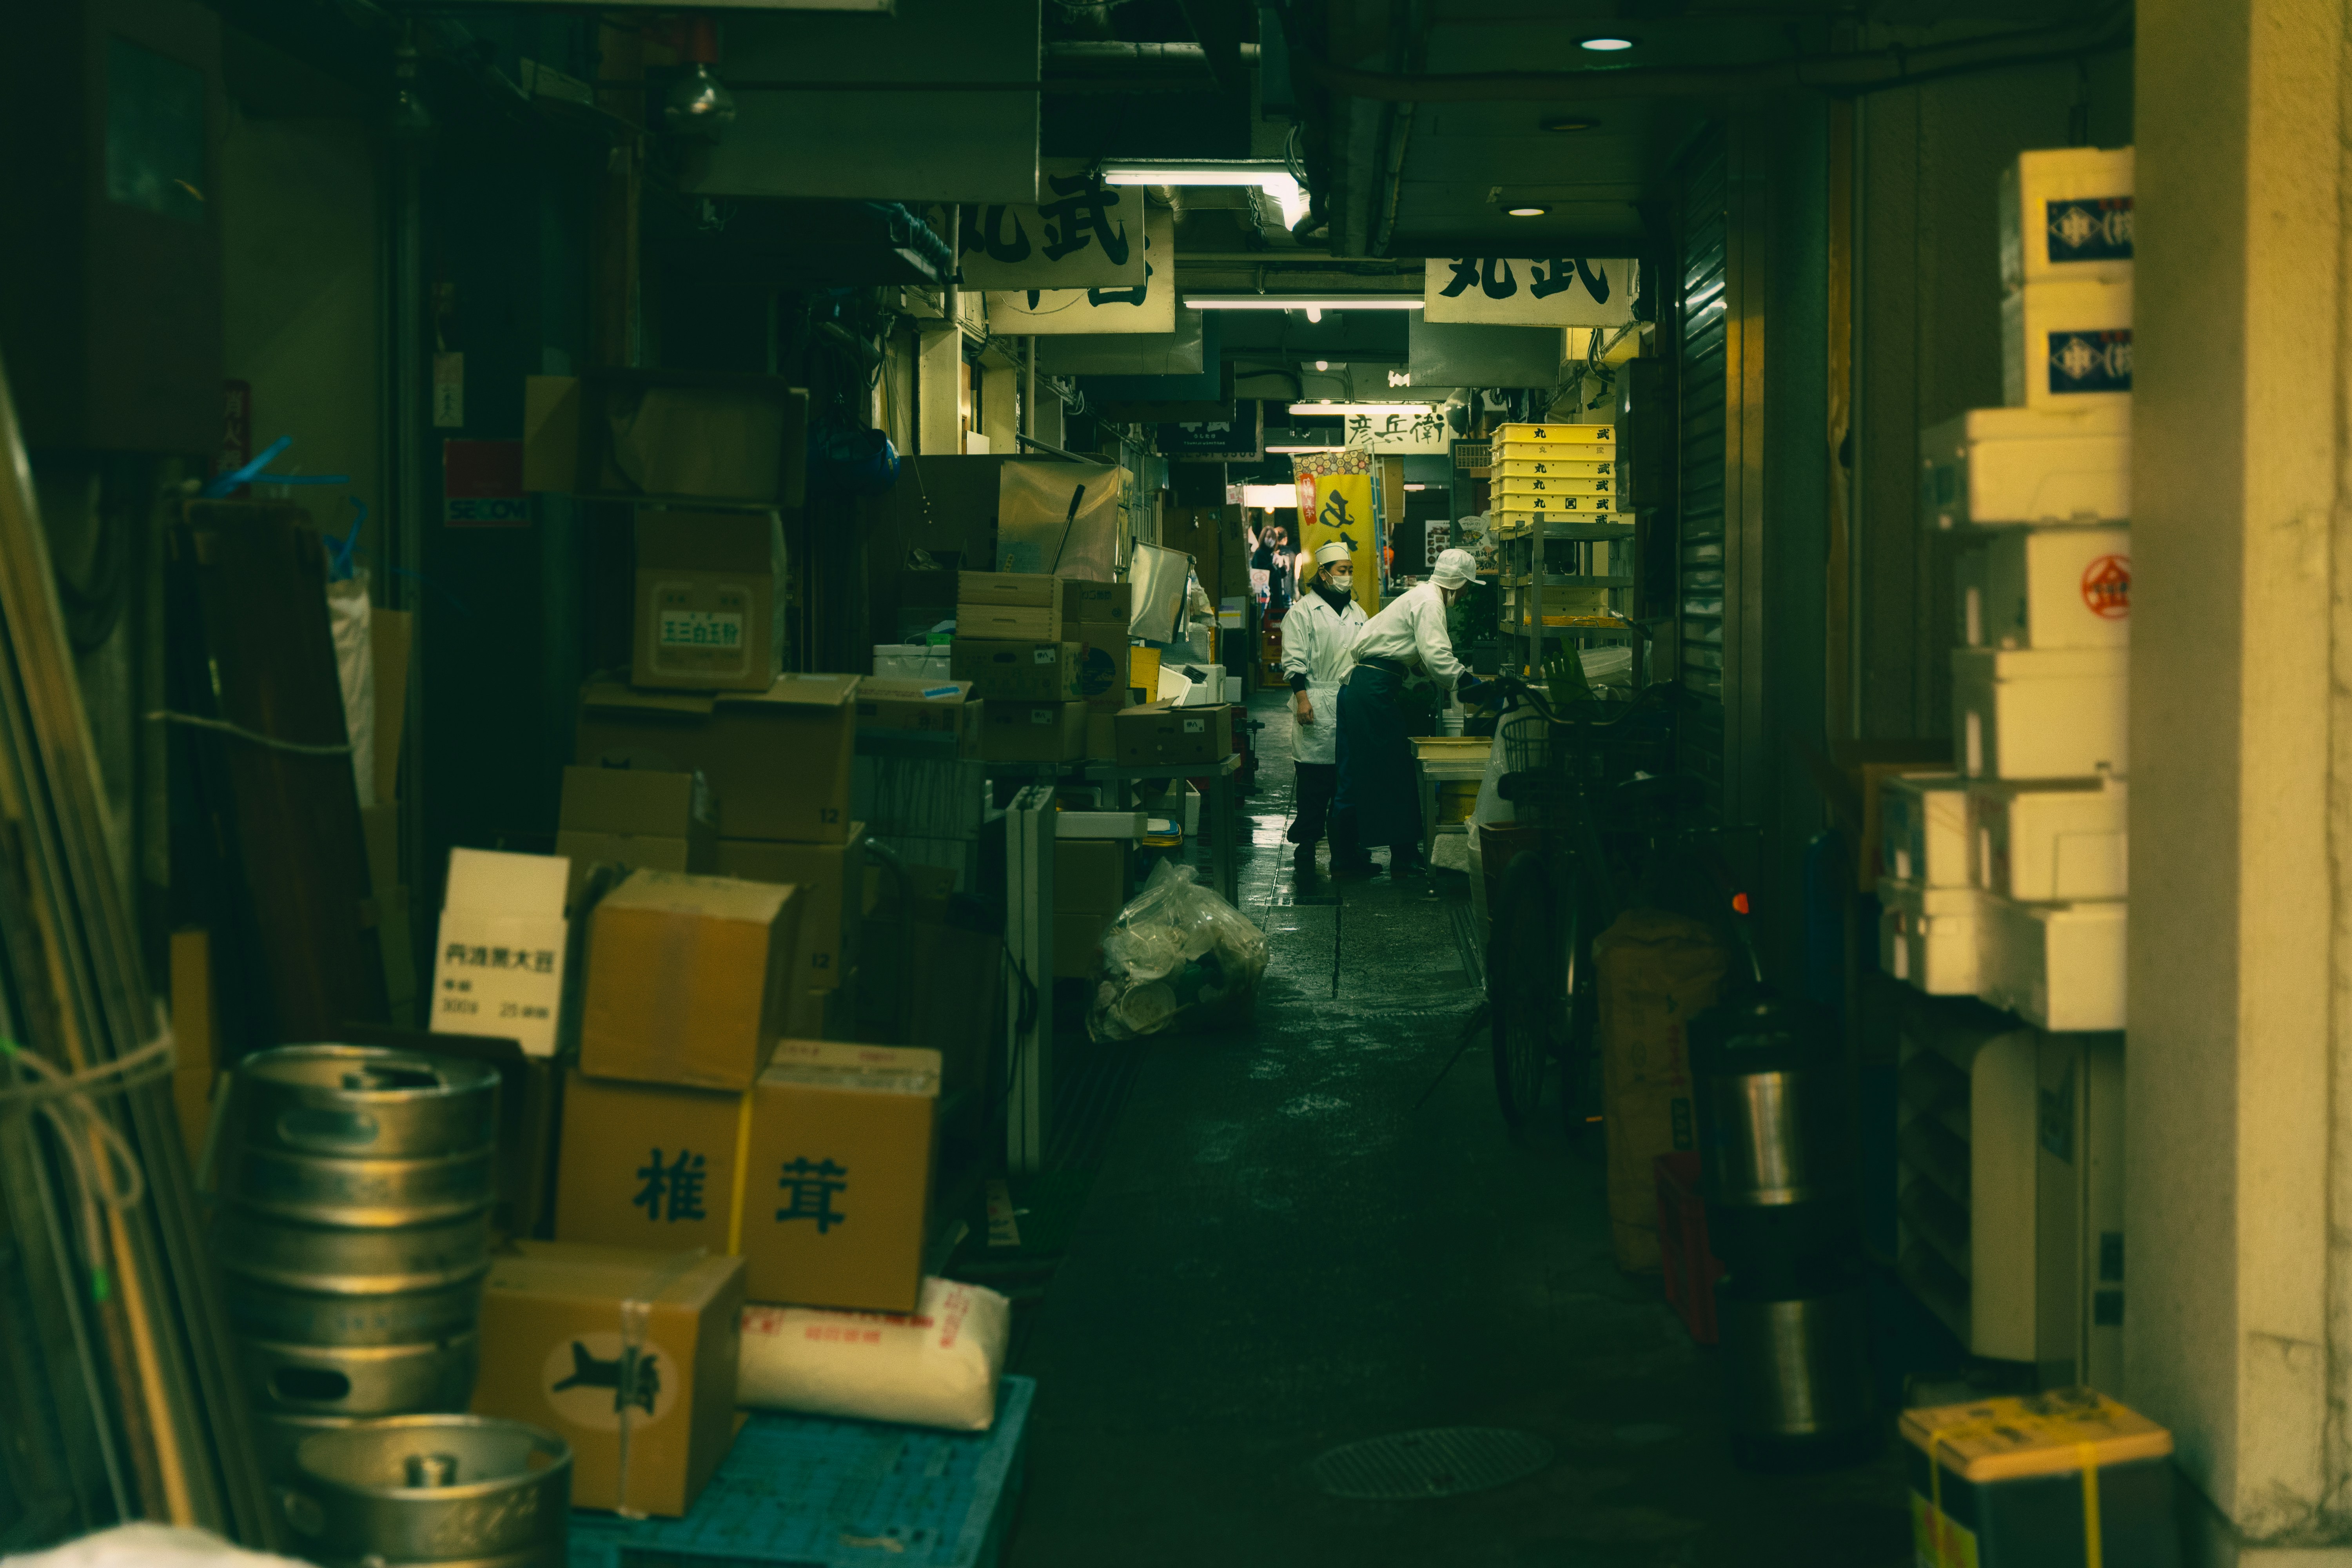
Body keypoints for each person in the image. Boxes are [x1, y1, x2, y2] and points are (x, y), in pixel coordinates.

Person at [1335, 546, 1492, 878]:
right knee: (1396, 770)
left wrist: (1424, 669)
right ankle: (1402, 858)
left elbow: (1414, 652)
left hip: (1362, 687)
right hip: (1373, 691)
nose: (1465, 595)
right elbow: (1437, 656)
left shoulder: (1419, 595)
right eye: (1466, 587)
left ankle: (1347, 857)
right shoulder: (1431, 602)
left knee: (1355, 771)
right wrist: (1475, 686)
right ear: (1457, 583)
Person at [1280, 540, 1368, 877]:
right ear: (1324, 574)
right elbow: (1293, 661)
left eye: (1350, 571)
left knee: (1347, 783)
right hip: (1315, 701)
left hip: (1348, 701)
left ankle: (1346, 853)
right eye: (1341, 571)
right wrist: (1302, 699)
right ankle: (1306, 848)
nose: (1347, 577)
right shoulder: (1303, 612)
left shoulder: (1358, 613)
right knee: (1315, 783)